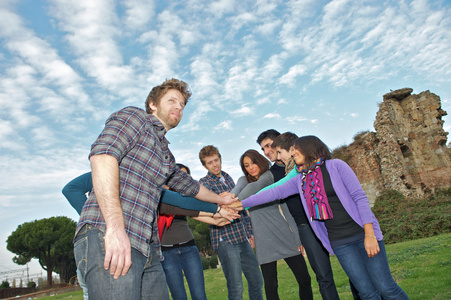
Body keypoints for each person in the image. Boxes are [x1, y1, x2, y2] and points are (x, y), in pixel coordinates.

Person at [73, 78, 237, 300]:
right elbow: (103, 156)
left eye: (182, 105)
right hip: (111, 233)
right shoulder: (135, 117)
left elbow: (189, 187)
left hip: (148, 247)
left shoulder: (165, 155)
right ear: (152, 104)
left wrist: (221, 200)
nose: (178, 107)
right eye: (172, 100)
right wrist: (114, 228)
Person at [235, 135, 410, 300]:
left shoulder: (336, 166)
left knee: (386, 288)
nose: (293, 153)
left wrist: (370, 234)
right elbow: (274, 192)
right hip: (341, 243)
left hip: (363, 234)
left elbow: (360, 198)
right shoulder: (301, 178)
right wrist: (241, 204)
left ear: (309, 148)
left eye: (296, 149)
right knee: (366, 293)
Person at [256, 130, 339, 300]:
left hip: (327, 219)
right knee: (323, 276)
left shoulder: (304, 165)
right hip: (305, 226)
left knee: (350, 264)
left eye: (269, 146)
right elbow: (267, 190)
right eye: (263, 149)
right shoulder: (273, 174)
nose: (267, 152)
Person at [231, 149, 312, 300]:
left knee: (304, 279)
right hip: (263, 240)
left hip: (283, 235)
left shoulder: (268, 177)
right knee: (271, 285)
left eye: (253, 162)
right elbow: (238, 188)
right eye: (247, 165)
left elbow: (286, 210)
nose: (251, 167)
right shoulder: (244, 181)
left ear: (260, 161)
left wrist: (296, 237)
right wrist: (231, 196)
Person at [198, 145, 264, 300]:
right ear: (204, 166)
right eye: (209, 162)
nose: (214, 165)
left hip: (242, 237)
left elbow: (241, 206)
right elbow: (215, 208)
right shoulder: (204, 184)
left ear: (220, 159)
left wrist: (250, 232)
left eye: (216, 160)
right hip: (225, 239)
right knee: (236, 287)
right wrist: (226, 202)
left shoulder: (228, 178)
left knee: (256, 281)